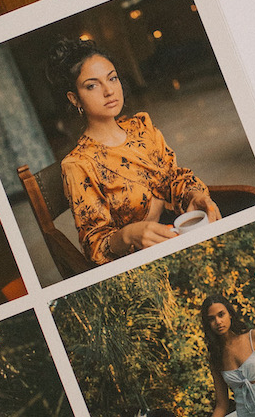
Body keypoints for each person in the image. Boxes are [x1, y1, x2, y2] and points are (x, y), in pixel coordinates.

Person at [45, 38, 220, 265]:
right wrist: (128, 235)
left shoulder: (141, 127)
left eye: (112, 78)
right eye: (92, 85)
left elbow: (174, 178)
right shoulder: (79, 164)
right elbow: (95, 246)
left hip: (176, 233)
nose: (109, 91)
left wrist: (194, 195)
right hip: (140, 263)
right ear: (74, 98)